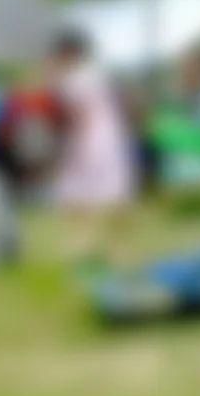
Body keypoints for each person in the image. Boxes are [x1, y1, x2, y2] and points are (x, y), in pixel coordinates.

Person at [47, 29, 135, 268]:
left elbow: (79, 116)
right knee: (113, 195)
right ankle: (116, 249)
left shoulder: (73, 80)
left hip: (91, 139)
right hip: (112, 137)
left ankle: (82, 246)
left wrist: (74, 146)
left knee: (76, 195)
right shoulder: (99, 74)